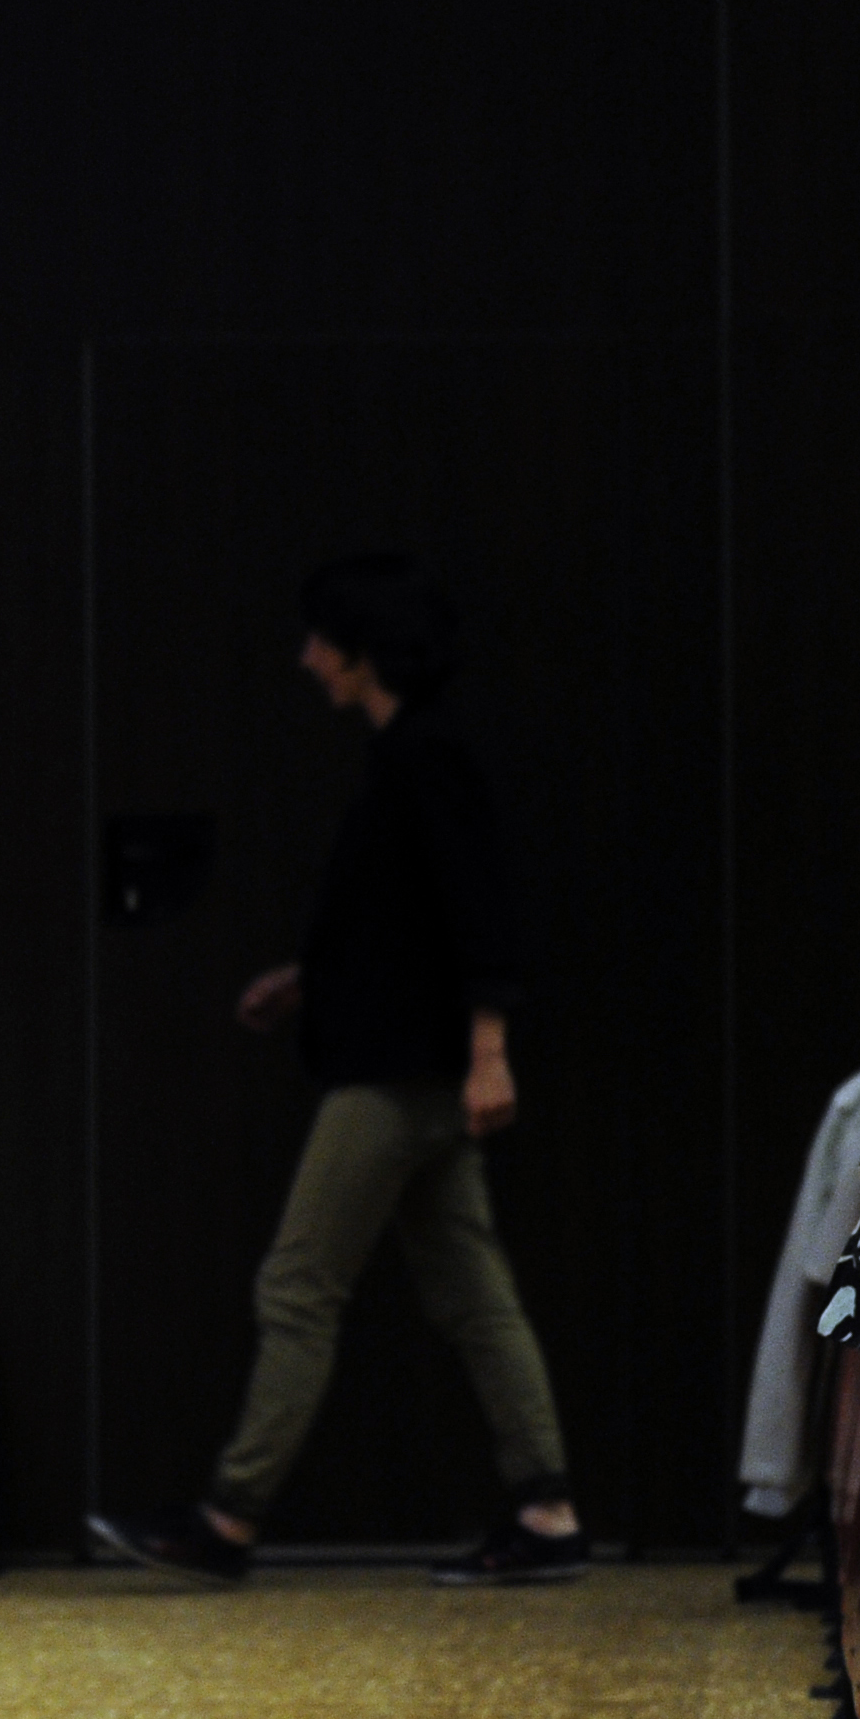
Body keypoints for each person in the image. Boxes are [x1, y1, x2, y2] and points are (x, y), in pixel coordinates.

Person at [89, 556, 584, 1586]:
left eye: (321, 640)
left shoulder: (424, 758)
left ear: (364, 653)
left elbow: (478, 909)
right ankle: (547, 1511)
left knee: (298, 1285)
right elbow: (402, 922)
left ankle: (228, 1518)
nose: (306, 658)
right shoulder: (407, 755)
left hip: (398, 1074)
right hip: (411, 1060)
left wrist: (490, 1052)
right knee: (472, 1291)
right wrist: (308, 980)